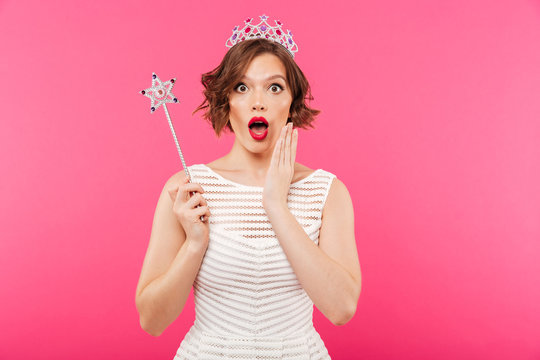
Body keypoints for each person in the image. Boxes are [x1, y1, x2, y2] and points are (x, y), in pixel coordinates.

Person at [135, 15, 361, 359]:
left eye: (274, 87)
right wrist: (194, 245)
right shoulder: (187, 191)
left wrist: (276, 206)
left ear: (291, 102)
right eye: (242, 87)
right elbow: (152, 320)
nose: (259, 101)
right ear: (227, 102)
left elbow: (341, 308)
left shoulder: (329, 192)